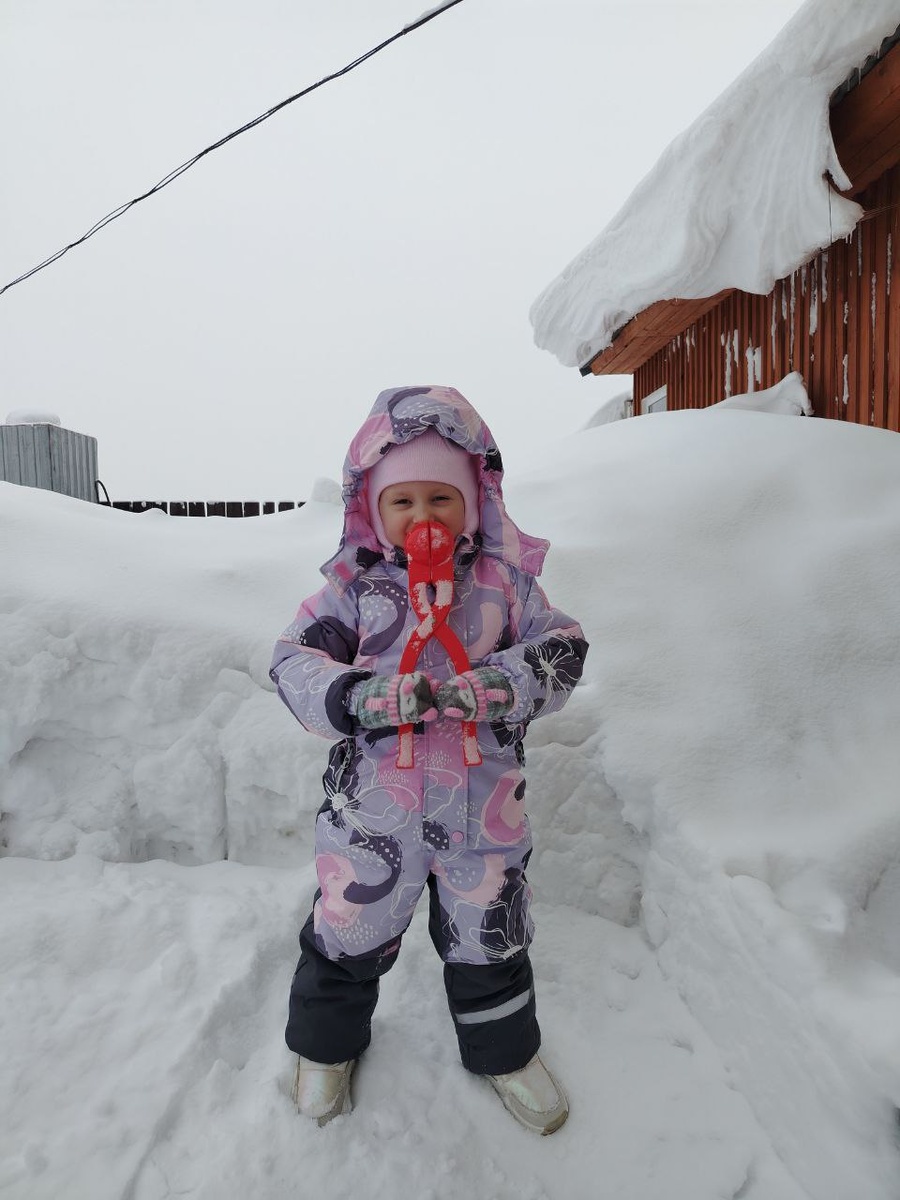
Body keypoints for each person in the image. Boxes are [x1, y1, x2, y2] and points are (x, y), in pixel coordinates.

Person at [270, 385, 588, 1134]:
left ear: (474, 500)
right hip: (372, 818)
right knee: (348, 929)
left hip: (485, 814)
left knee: (491, 937)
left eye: (440, 498)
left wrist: (505, 682)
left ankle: (503, 1051)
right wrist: (358, 696)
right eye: (402, 501)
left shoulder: (507, 585)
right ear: (373, 508)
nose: (423, 518)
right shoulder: (350, 591)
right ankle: (324, 1046)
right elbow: (291, 663)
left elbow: (564, 649)